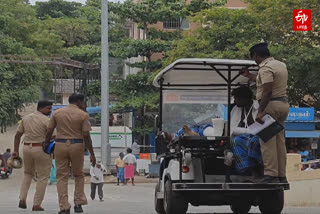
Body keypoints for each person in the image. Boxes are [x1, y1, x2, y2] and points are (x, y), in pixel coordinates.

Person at [241, 42, 289, 183]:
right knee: (280, 142)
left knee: (267, 142)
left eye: (254, 57)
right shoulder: (280, 65)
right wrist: (249, 75)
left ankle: (270, 175)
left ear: (256, 55)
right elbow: (262, 81)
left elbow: (267, 90)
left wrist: (260, 112)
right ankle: (281, 175)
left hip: (270, 106)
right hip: (283, 105)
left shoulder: (265, 68)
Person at [45, 93, 96, 214]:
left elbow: (49, 130)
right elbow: (86, 135)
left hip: (60, 144)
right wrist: (92, 153)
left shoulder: (57, 113)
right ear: (79, 101)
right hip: (77, 145)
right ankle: (78, 203)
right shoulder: (83, 115)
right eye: (83, 102)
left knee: (61, 176)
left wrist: (46, 143)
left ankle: (64, 206)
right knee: (78, 175)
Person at [13, 100, 53, 211]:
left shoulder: (26, 118)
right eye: (48, 108)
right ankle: (36, 204)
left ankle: (22, 198)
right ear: (41, 108)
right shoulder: (47, 120)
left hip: (26, 148)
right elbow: (53, 136)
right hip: (41, 149)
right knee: (43, 177)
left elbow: (17, 135)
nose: (50, 111)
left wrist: (16, 150)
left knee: (27, 173)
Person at [230, 87, 263, 176]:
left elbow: (262, 128)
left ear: (244, 98)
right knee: (235, 140)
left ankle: (258, 168)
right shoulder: (235, 109)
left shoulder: (259, 107)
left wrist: (250, 132)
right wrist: (249, 131)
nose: (234, 101)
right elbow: (232, 129)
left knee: (254, 141)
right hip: (243, 137)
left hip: (259, 137)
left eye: (236, 98)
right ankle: (249, 170)